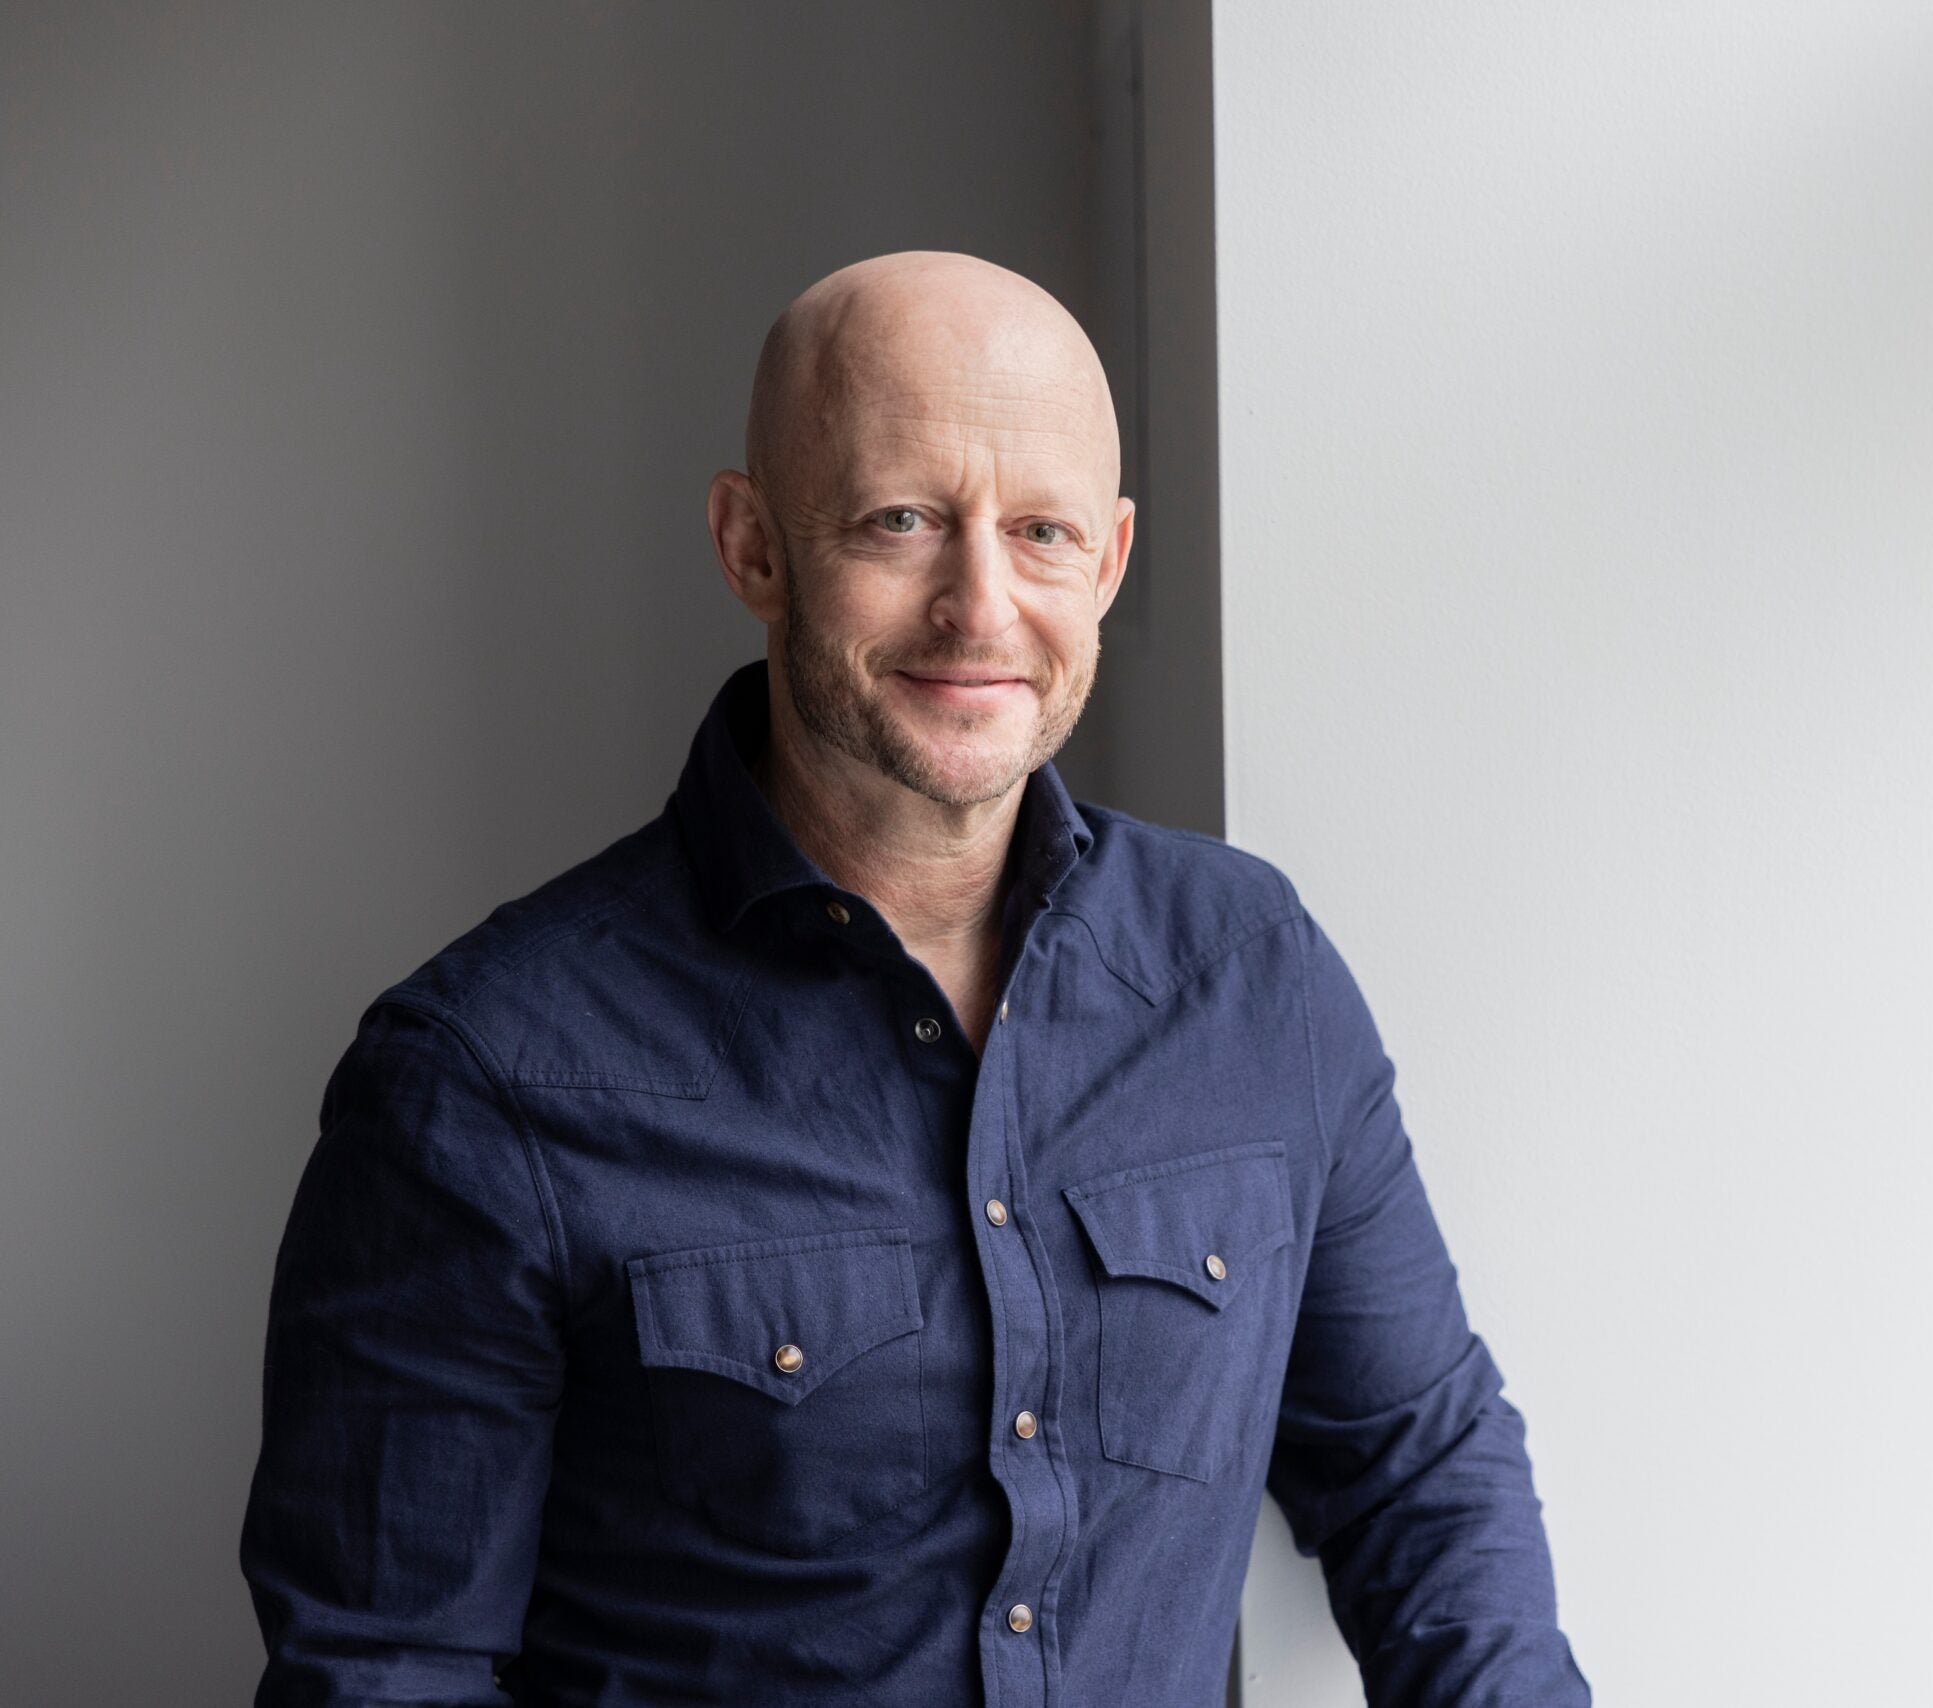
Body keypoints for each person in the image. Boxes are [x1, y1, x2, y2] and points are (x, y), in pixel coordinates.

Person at [239, 250, 1589, 1706]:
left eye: (1044, 533)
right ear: (752, 543)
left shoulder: (1253, 977)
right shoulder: (484, 1076)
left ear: (1114, 559)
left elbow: (1422, 1469)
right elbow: (386, 1673)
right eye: (902, 522)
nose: (982, 605)